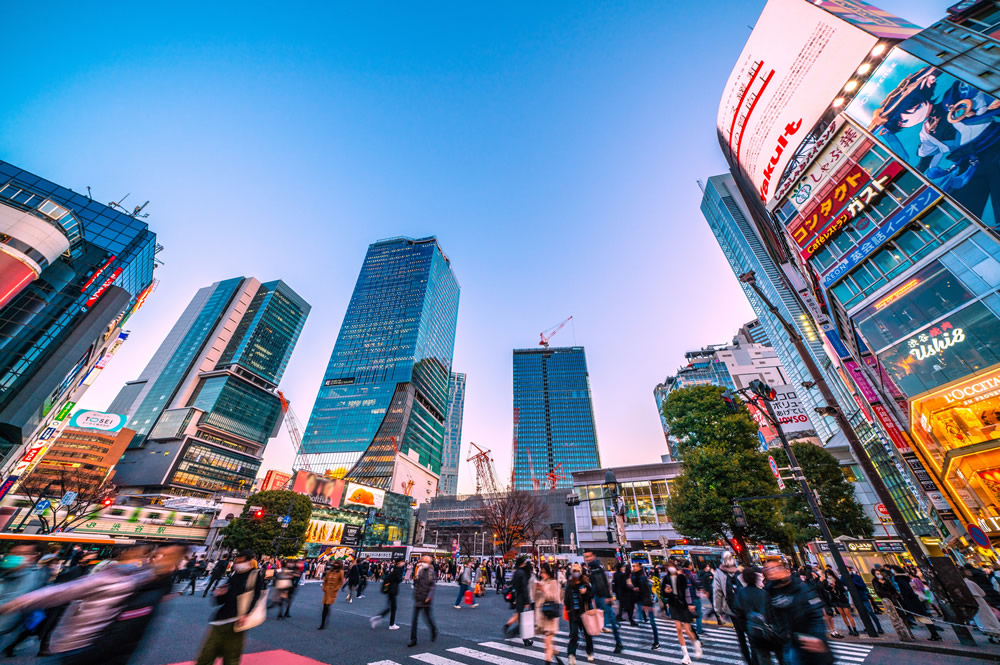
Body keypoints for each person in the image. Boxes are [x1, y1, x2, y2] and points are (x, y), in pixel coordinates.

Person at [0, 545, 183, 665]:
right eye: (156, 555)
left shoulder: (139, 580)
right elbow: (67, 590)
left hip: (81, 649)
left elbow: (64, 591)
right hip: (80, 646)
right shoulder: (125, 576)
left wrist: (15, 604)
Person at [193, 549, 266, 665]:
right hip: (221, 619)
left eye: (241, 561)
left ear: (250, 561)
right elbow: (222, 599)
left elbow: (256, 596)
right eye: (237, 560)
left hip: (237, 621)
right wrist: (219, 594)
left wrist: (246, 614)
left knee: (231, 657)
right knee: (206, 655)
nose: (237, 563)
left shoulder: (255, 575)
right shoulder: (234, 575)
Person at [763, 558, 832, 665]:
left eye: (777, 568)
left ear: (787, 571)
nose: (773, 571)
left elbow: (817, 614)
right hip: (788, 643)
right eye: (769, 569)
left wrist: (818, 637)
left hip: (810, 641)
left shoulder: (801, 587)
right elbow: (770, 618)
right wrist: (784, 635)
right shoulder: (768, 593)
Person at [0, 545, 47, 654]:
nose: (15, 556)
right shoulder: (6, 570)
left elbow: (12, 602)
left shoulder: (32, 576)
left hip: (4, 626)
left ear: (33, 556)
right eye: (13, 552)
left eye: (22, 553)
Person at [732, 566, 781, 665]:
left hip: (752, 630)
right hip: (766, 629)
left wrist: (745, 628)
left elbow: (739, 614)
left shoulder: (740, 593)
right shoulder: (763, 593)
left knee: (760, 655)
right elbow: (770, 613)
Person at [660, 561, 702, 663]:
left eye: (671, 567)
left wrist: (690, 604)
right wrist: (666, 592)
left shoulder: (681, 577)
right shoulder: (666, 579)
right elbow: (663, 594)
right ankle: (686, 655)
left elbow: (687, 591)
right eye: (668, 567)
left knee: (687, 630)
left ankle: (696, 644)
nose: (670, 569)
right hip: (674, 605)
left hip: (683, 605)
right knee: (678, 629)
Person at [583, 550, 623, 653]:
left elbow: (603, 583)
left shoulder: (597, 568)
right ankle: (587, 639)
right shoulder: (591, 568)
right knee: (593, 618)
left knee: (610, 619)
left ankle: (618, 642)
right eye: (585, 557)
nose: (587, 559)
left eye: (589, 556)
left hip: (602, 597)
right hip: (597, 597)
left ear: (594, 556)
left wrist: (608, 596)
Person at [891, 566, 941, 641]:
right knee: (922, 616)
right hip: (913, 599)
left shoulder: (900, 578)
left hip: (911, 600)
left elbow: (907, 589)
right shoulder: (904, 577)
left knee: (922, 616)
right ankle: (934, 633)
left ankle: (934, 634)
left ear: (895, 570)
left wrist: (906, 596)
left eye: (893, 570)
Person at [564, 563, 594, 665]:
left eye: (577, 571)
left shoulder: (585, 582)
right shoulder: (569, 583)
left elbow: (591, 596)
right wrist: (567, 609)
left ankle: (589, 651)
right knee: (574, 635)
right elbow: (566, 598)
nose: (576, 573)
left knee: (587, 634)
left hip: (584, 612)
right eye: (574, 571)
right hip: (574, 613)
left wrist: (585, 593)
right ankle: (571, 655)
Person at [871, 567, 912, 641]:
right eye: (877, 574)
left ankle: (909, 632)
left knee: (902, 615)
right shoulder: (875, 581)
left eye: (879, 573)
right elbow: (878, 591)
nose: (879, 575)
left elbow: (892, 587)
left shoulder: (886, 579)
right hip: (888, 600)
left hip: (895, 599)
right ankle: (902, 633)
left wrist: (885, 584)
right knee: (894, 617)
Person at [535, 562, 563, 665]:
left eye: (544, 572)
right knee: (548, 641)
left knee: (547, 642)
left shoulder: (554, 582)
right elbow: (537, 599)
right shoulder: (542, 582)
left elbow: (555, 598)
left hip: (551, 615)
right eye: (541, 572)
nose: (542, 574)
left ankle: (548, 661)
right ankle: (556, 654)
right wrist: (537, 590)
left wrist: (543, 590)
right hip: (543, 615)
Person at [504, 556, 534, 647]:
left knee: (520, 617)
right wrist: (527, 601)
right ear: (522, 563)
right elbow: (524, 588)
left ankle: (524, 639)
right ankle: (516, 634)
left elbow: (514, 584)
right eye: (524, 562)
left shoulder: (516, 572)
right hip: (522, 598)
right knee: (522, 619)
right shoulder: (522, 573)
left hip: (517, 597)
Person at [628, 562, 659, 651]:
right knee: (642, 621)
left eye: (635, 566)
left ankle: (656, 642)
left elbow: (646, 591)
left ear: (639, 567)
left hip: (647, 602)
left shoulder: (642, 577)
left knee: (652, 622)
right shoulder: (635, 575)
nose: (633, 567)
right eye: (632, 566)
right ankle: (647, 639)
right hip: (640, 601)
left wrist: (648, 604)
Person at [964, 567, 1000, 642]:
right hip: (982, 601)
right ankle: (996, 635)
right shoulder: (971, 582)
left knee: (983, 620)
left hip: (974, 603)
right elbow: (982, 593)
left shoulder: (964, 584)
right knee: (990, 619)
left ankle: (991, 635)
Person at [408, 555, 438, 648]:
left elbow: (432, 586)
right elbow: (418, 584)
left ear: (429, 563)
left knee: (428, 618)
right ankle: (413, 639)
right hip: (419, 598)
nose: (422, 562)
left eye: (424, 561)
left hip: (426, 600)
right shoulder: (421, 571)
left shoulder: (431, 572)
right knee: (414, 620)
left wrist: (429, 596)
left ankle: (433, 629)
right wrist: (415, 593)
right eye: (422, 561)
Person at [821, 568, 856, 637]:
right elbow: (826, 589)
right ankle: (850, 629)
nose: (829, 576)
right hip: (835, 599)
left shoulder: (837, 580)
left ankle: (854, 629)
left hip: (842, 598)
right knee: (843, 615)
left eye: (830, 575)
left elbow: (843, 589)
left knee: (848, 614)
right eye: (827, 575)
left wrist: (835, 586)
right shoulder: (826, 582)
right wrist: (830, 587)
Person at [371, 558, 404, 630]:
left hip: (390, 590)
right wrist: (400, 579)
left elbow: (387, 579)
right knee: (393, 607)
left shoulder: (394, 569)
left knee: (391, 607)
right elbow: (398, 579)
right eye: (402, 562)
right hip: (392, 590)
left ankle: (379, 618)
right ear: (399, 563)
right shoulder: (397, 570)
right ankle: (390, 623)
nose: (403, 563)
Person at [847, 566, 881, 635]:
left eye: (848, 571)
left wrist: (854, 583)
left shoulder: (857, 577)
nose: (847, 572)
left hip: (862, 597)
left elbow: (863, 586)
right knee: (862, 614)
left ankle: (879, 627)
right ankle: (867, 626)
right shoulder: (846, 579)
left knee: (870, 612)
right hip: (856, 599)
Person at [319, 560, 344, 630]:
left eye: (337, 564)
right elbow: (325, 579)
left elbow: (341, 581)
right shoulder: (330, 571)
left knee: (327, 606)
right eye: (335, 564)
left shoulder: (341, 572)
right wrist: (324, 587)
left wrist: (336, 588)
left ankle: (324, 622)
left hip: (333, 591)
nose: (335, 565)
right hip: (327, 591)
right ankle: (323, 622)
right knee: (325, 606)